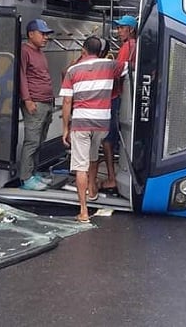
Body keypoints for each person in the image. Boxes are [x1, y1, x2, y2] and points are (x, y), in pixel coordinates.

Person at [60, 36, 125, 222]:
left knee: (80, 166)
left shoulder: (73, 70)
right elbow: (130, 67)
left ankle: (83, 211)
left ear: (83, 50)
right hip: (102, 123)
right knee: (93, 156)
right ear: (101, 51)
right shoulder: (110, 65)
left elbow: (66, 101)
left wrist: (65, 128)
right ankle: (93, 191)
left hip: (81, 122)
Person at [99, 15, 137, 196]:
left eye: (122, 28)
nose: (119, 30)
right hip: (123, 97)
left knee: (108, 139)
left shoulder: (128, 47)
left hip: (115, 97)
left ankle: (112, 178)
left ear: (130, 29)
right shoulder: (134, 46)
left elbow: (118, 72)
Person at [19, 18, 55, 191]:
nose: (45, 38)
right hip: (35, 103)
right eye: (42, 34)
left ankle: (34, 172)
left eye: (47, 34)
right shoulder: (25, 51)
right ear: (30, 34)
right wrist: (27, 100)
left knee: (40, 140)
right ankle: (26, 178)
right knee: (32, 141)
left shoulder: (39, 52)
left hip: (46, 102)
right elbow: (21, 76)